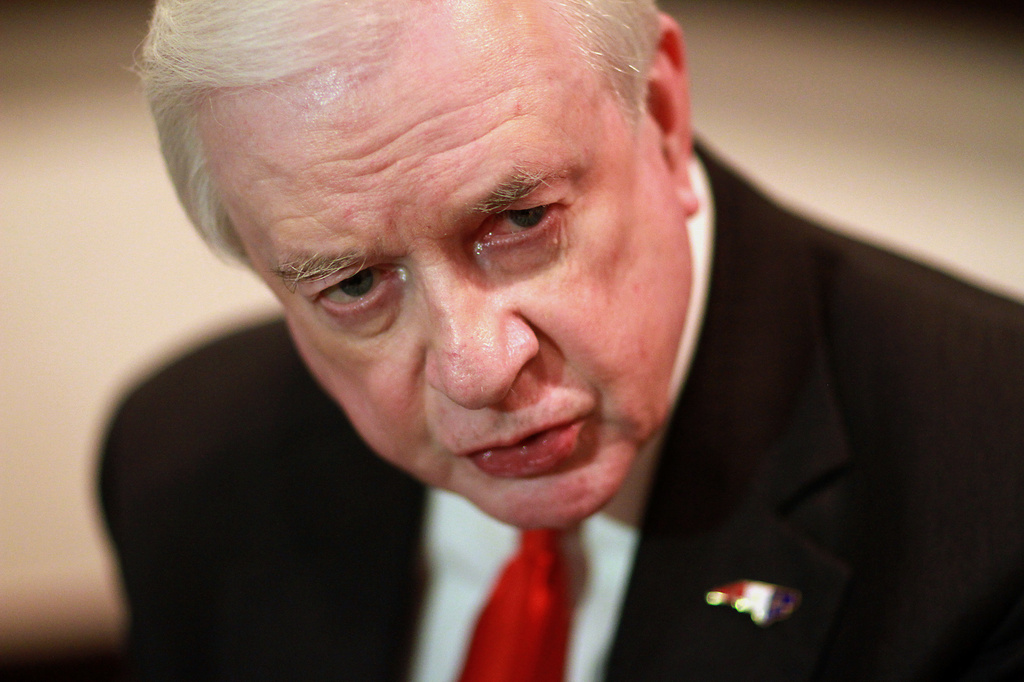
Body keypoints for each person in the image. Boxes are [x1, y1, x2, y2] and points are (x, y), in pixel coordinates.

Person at [100, 0, 1024, 679]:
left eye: (521, 221)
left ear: (661, 114)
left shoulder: (995, 484)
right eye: (352, 284)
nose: (477, 368)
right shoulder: (183, 475)